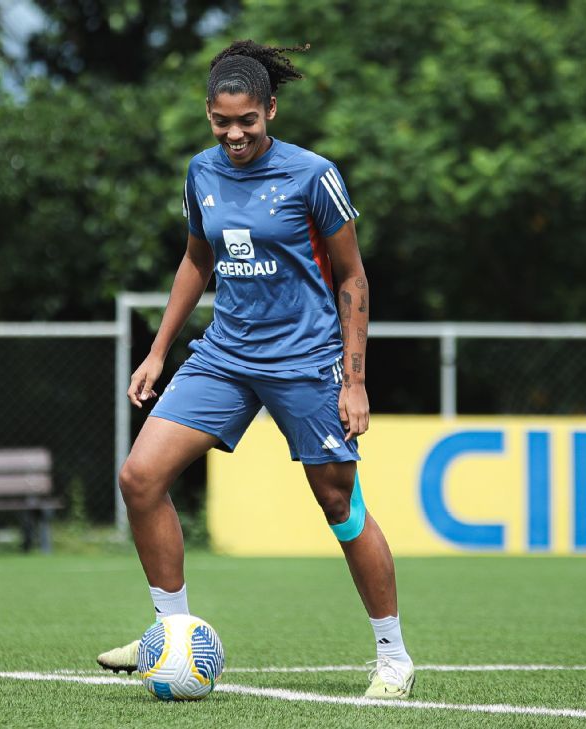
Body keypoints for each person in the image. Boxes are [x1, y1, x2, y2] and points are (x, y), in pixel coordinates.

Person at [96, 40, 415, 698]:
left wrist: (354, 380)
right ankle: (172, 632)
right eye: (222, 121)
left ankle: (393, 656)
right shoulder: (200, 174)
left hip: (305, 359)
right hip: (225, 355)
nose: (235, 133)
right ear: (208, 115)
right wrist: (158, 350)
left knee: (339, 503)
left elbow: (353, 276)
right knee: (140, 476)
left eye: (248, 120)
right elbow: (195, 260)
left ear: (270, 109)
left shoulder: (313, 176)